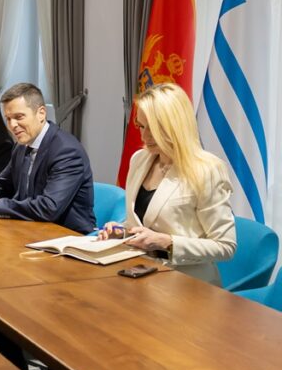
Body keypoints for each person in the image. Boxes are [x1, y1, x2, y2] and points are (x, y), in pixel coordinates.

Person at [98, 83, 236, 285]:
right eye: (141, 126)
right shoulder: (139, 159)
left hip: (188, 284)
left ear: (175, 126)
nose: (144, 136)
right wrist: (122, 231)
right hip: (140, 273)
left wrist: (168, 243)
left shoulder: (207, 170)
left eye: (153, 128)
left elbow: (225, 246)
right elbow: (144, 223)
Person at [0, 83, 95, 234]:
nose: (12, 125)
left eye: (19, 117)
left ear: (41, 113)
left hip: (66, 236)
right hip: (29, 229)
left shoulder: (67, 151)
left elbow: (49, 208)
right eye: (8, 119)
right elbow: (2, 183)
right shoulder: (21, 145)